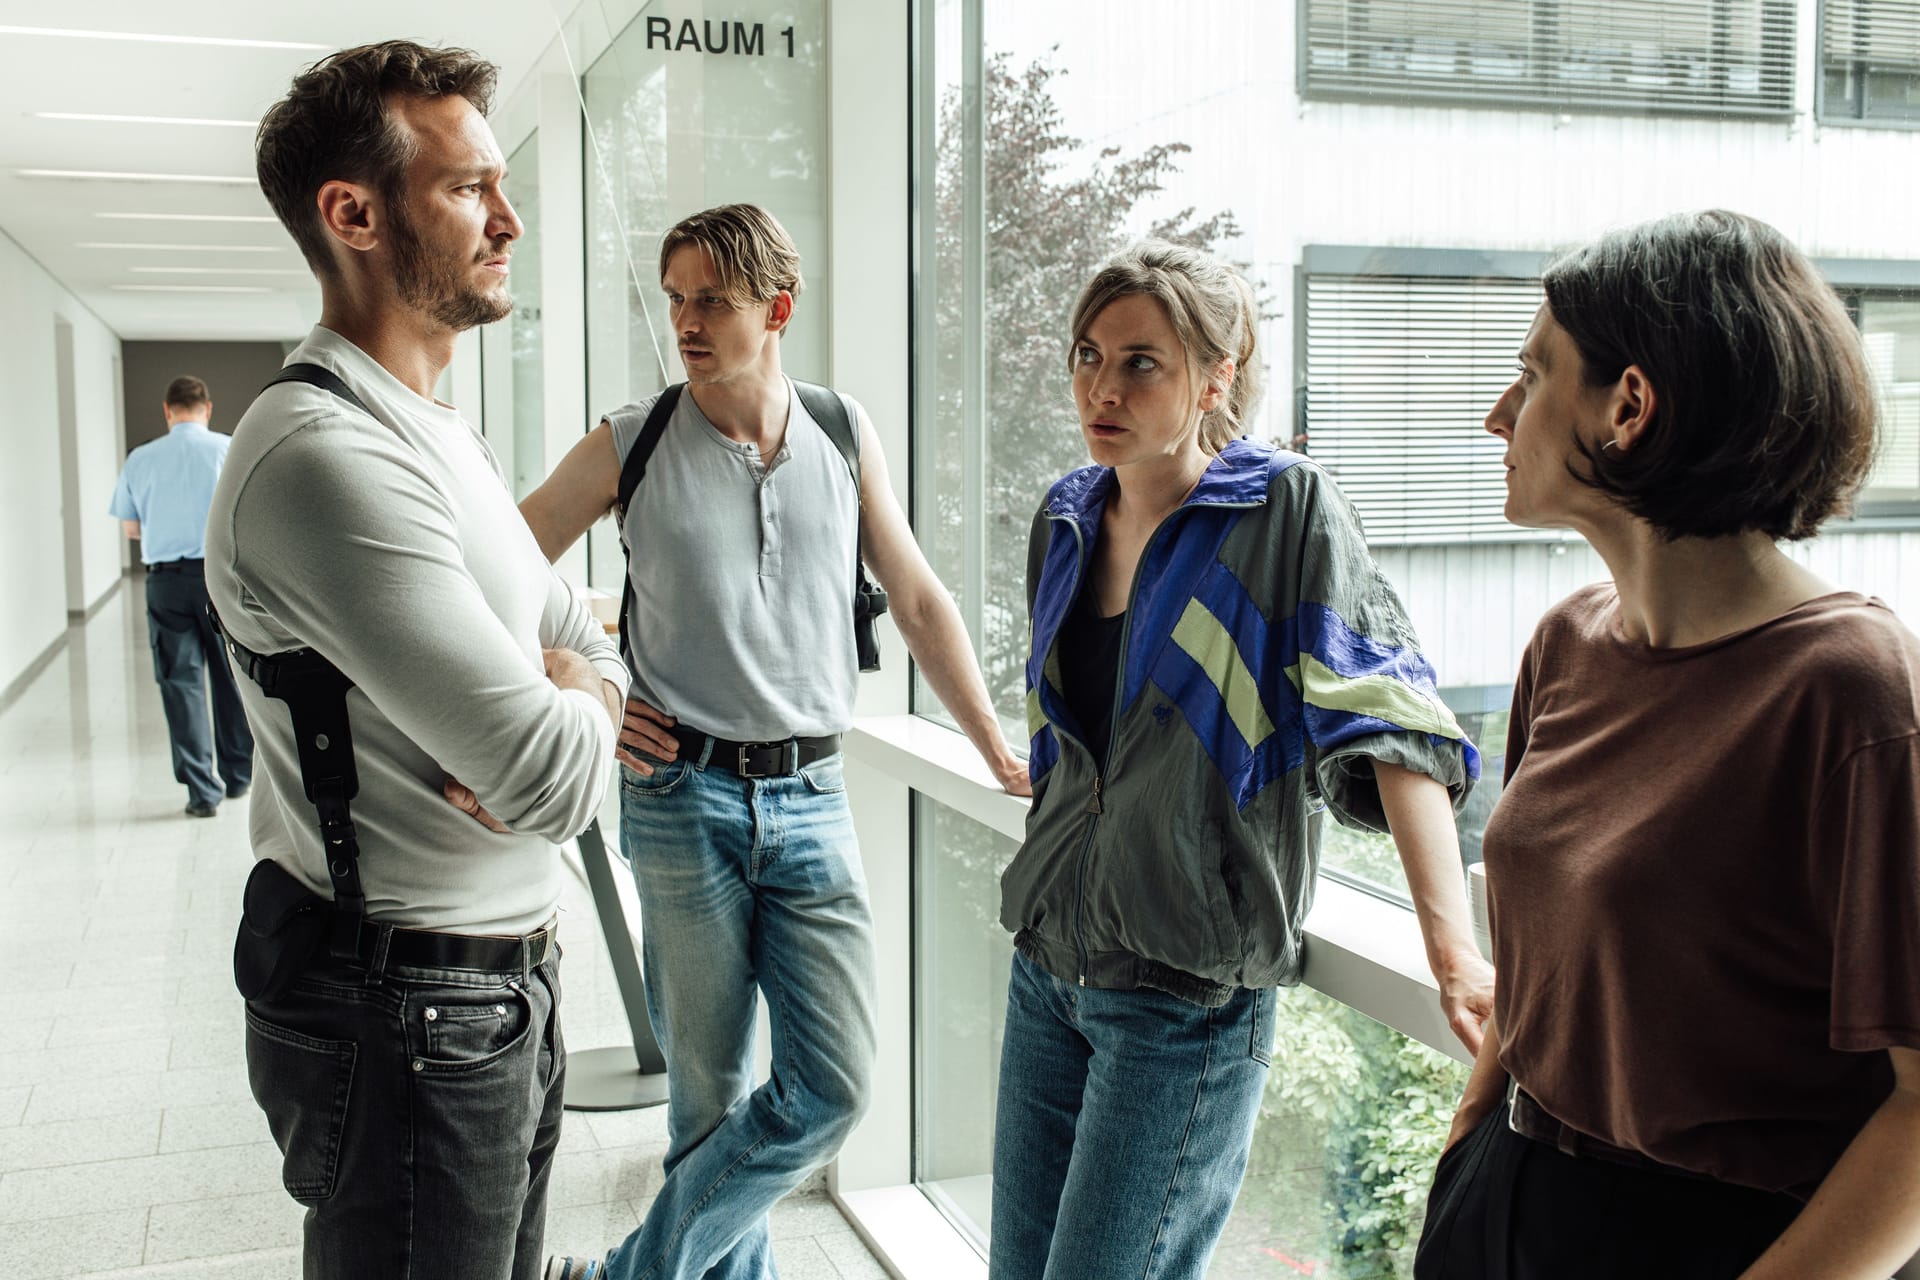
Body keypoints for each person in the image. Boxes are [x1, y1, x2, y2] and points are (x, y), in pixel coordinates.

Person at [525, 203, 1028, 1280]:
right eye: (675, 297)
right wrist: (587, 683)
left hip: (811, 796)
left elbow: (920, 596)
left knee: (835, 1084)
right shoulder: (635, 436)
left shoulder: (844, 431)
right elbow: (501, 566)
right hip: (677, 798)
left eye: (712, 298)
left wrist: (994, 742)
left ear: (778, 309)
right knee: (708, 1102)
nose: (687, 319)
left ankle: (631, 1275)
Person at [1416, 210, 1920, 1280]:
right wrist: (1471, 1142)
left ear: (1631, 406)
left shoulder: (1853, 691)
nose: (1499, 413)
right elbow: (1545, 957)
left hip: (1713, 1241)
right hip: (1508, 1192)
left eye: (1534, 374)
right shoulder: (1565, 642)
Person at [205, 41, 627, 1280]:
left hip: (498, 994)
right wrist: (567, 690)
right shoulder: (322, 456)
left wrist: (576, 679)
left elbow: (588, 639)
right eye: (468, 189)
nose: (509, 219)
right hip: (408, 1019)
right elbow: (558, 781)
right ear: (354, 214)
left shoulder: (439, 434)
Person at [992, 240, 1490, 1280]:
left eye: (1142, 362)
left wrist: (1453, 949)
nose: (1103, 387)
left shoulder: (1282, 512)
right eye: (1088, 355)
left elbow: (1392, 717)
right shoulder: (1067, 518)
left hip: (1183, 1000)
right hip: (1047, 966)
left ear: (1219, 375)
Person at [108, 375, 253, 816]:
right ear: (206, 409)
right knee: (231, 677)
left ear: (167, 411)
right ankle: (238, 776)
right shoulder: (229, 449)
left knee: (180, 682)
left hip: (166, 583)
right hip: (220, 578)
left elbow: (131, 528)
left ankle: (201, 791)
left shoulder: (141, 459)